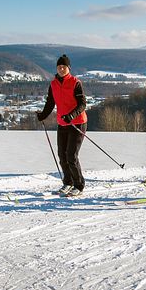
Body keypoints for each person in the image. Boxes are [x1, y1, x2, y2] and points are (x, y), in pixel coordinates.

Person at [37, 54, 88, 197]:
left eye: (64, 67)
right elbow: (50, 103)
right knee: (62, 155)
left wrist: (71, 115)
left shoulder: (75, 82)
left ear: (68, 68)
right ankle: (68, 182)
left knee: (71, 155)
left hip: (77, 122)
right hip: (62, 123)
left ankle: (78, 185)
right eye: (59, 67)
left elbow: (82, 104)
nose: (61, 69)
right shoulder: (53, 83)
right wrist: (43, 115)